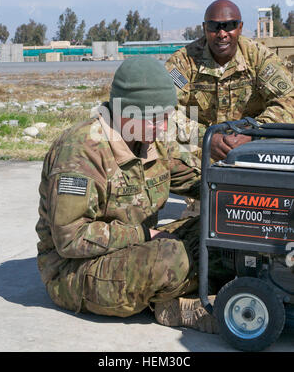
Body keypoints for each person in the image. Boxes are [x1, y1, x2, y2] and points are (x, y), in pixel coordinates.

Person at [35, 56, 221, 334]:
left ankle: (189, 286)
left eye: (166, 117)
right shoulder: (81, 150)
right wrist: (145, 236)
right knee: (170, 258)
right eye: (156, 118)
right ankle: (170, 305)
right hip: (75, 270)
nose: (163, 127)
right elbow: (70, 238)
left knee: (216, 231)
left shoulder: (149, 139)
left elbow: (196, 180)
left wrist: (240, 193)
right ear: (126, 111)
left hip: (132, 250)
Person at [165, 0, 294, 217]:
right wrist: (206, 137)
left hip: (252, 151)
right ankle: (201, 202)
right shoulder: (184, 62)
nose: (222, 33)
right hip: (202, 155)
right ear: (205, 28)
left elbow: (289, 99)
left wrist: (254, 134)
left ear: (240, 28)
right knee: (155, 144)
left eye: (230, 25)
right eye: (215, 26)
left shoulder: (258, 57)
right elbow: (161, 108)